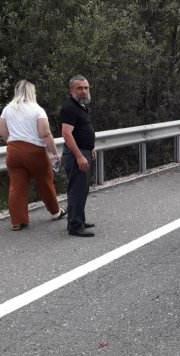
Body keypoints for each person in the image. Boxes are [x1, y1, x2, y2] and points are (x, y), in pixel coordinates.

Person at [0, 80, 66, 231]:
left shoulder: (8, 109)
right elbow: (45, 134)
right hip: (35, 152)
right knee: (45, 182)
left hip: (14, 150)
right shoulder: (37, 110)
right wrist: (54, 153)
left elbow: (3, 133)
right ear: (31, 92)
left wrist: (14, 142)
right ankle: (55, 212)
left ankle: (18, 221)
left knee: (17, 186)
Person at [61, 75, 96, 237]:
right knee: (77, 189)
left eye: (86, 88)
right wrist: (79, 156)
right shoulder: (69, 108)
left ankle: (79, 219)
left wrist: (91, 148)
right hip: (76, 153)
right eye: (79, 88)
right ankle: (75, 226)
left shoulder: (81, 107)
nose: (84, 91)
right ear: (71, 90)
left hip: (84, 150)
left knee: (82, 189)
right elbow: (67, 134)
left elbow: (82, 130)